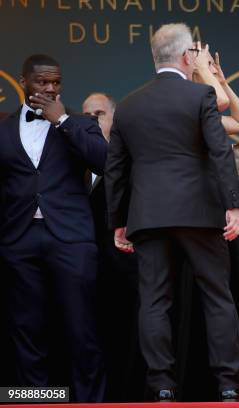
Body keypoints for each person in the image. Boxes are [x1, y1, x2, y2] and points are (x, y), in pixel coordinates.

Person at [104, 23, 239, 402]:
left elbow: (115, 169)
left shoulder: (128, 106)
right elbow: (221, 151)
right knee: (217, 296)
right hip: (200, 212)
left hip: (149, 216)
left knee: (154, 300)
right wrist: (232, 205)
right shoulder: (200, 96)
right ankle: (228, 384)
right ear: (187, 57)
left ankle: (161, 386)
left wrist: (119, 221)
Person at [0, 54, 107, 402]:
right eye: (41, 82)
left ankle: (88, 402)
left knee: (82, 328)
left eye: (55, 82)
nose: (49, 88)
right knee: (27, 330)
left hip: (71, 240)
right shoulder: (3, 127)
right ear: (23, 81)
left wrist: (61, 119)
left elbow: (104, 161)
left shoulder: (79, 123)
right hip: (19, 239)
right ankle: (37, 401)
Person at [82, 92, 144, 402]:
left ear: (114, 119)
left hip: (125, 272)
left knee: (126, 342)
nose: (92, 120)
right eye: (87, 116)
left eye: (100, 114)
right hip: (83, 274)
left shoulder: (132, 162)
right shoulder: (71, 164)